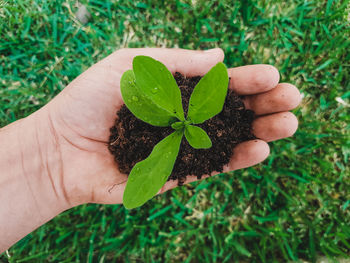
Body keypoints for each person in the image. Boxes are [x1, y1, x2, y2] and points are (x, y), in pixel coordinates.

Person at [0, 48, 301, 252]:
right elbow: (140, 79)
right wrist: (48, 143)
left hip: (191, 125)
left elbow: (204, 131)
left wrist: (42, 149)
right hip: (178, 123)